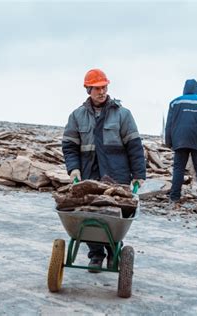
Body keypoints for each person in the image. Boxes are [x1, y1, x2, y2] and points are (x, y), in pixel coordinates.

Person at [62, 68, 146, 272]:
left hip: (117, 173)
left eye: (104, 87)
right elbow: (70, 146)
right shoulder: (77, 116)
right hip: (89, 173)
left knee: (114, 217)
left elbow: (134, 145)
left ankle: (113, 251)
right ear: (88, 89)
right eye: (97, 88)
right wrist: (73, 169)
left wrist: (139, 174)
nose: (102, 91)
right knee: (90, 215)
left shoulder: (123, 114)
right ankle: (96, 255)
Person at [165, 79, 197, 203]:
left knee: (178, 168)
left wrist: (169, 142)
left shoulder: (174, 102)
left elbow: (169, 124)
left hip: (179, 140)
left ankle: (174, 196)